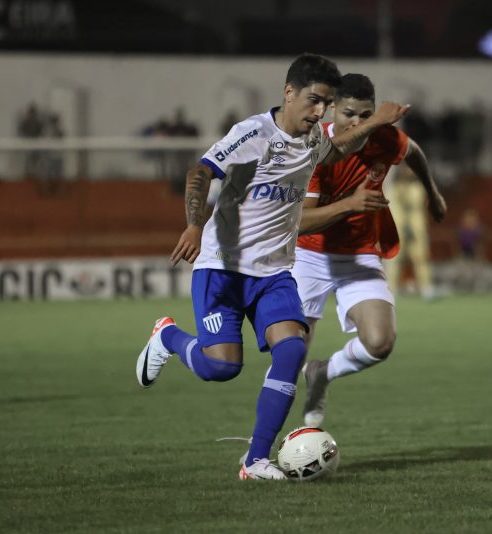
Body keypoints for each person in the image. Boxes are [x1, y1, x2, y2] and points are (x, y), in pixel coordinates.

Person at [134, 54, 409, 481]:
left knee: (292, 350)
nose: (320, 112)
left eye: (326, 103)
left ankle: (255, 460)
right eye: (314, 101)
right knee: (221, 367)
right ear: (288, 92)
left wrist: (375, 124)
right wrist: (193, 225)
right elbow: (200, 172)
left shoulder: (313, 138)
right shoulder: (253, 134)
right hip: (223, 267)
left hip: (274, 273)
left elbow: (334, 152)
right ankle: (167, 336)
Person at [292, 73, 446, 428]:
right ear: (331, 111)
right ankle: (261, 453)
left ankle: (322, 374)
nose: (359, 124)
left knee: (380, 342)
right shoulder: (313, 148)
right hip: (307, 255)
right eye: (349, 115)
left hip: (358, 254)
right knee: (289, 356)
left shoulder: (385, 139)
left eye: (366, 115)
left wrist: (433, 195)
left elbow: (414, 151)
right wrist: (350, 204)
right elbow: (300, 223)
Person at [385, 162, 441, 300]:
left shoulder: (417, 187)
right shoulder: (393, 188)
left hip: (416, 228)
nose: (407, 172)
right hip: (399, 227)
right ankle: (391, 289)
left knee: (420, 257)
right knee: (395, 258)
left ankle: (426, 288)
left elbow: (416, 207)